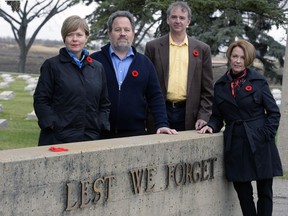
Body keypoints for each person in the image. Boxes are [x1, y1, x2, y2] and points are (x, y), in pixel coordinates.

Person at [198, 39, 283, 216]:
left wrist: (265, 134)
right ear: (230, 57)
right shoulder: (220, 85)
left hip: (260, 142)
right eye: (234, 56)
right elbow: (217, 116)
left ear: (248, 59)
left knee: (265, 193)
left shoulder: (259, 81)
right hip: (236, 144)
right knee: (244, 194)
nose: (237, 61)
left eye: (242, 57)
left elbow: (274, 113)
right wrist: (211, 126)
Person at [90, 11, 177, 139]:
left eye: (127, 30)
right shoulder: (94, 61)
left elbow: (155, 97)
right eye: (117, 30)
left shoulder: (145, 63)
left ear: (133, 34)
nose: (122, 34)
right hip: (99, 134)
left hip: (135, 135)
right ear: (109, 33)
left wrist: (162, 123)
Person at [33, 15, 110, 146]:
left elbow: (104, 103)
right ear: (64, 38)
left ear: (86, 37)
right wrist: (51, 125)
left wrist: (100, 123)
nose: (75, 39)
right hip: (58, 139)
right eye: (70, 35)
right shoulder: (52, 65)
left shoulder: (97, 68)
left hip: (90, 138)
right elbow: (41, 100)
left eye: (79, 35)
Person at [145, 1, 214, 132]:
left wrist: (203, 116)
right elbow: (145, 85)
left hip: (189, 114)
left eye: (182, 18)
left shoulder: (202, 49)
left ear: (188, 21)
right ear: (167, 20)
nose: (178, 21)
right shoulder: (153, 47)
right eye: (174, 17)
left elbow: (208, 90)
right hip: (159, 112)